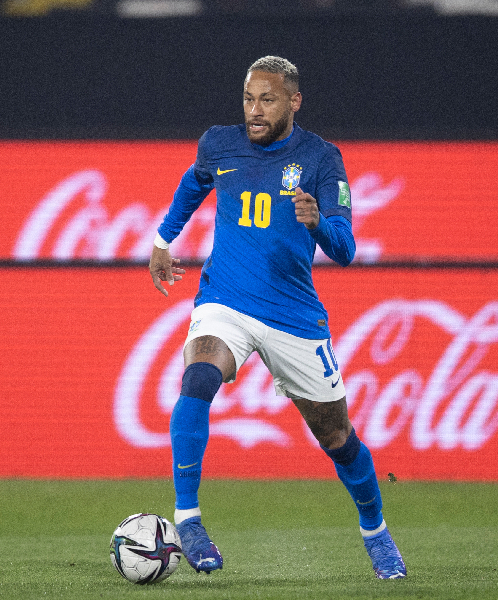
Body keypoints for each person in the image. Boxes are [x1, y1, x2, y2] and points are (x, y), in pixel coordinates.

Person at [148, 56, 406, 580]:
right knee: (198, 377)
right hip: (226, 300)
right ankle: (189, 518)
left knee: (337, 437)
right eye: (248, 99)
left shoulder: (320, 158)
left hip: (293, 315)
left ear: (293, 101)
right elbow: (196, 182)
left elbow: (347, 247)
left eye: (266, 100)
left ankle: (375, 529)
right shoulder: (219, 144)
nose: (254, 111)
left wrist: (318, 225)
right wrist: (162, 239)